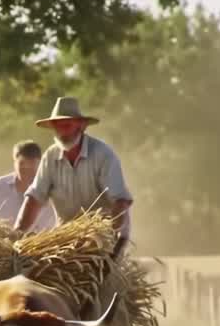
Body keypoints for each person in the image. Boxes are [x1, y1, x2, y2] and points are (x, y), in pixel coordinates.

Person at [15, 97, 133, 241]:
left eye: (67, 125)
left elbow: (120, 202)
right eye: (58, 126)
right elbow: (34, 199)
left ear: (81, 126)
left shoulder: (102, 154)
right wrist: (17, 234)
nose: (62, 132)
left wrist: (113, 238)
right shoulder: (50, 157)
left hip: (103, 238)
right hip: (67, 240)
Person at [0, 140, 57, 232]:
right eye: (22, 163)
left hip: (41, 244)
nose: (27, 167)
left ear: (40, 164)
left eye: (32, 163)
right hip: (0, 244)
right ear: (14, 162)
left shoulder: (52, 191)